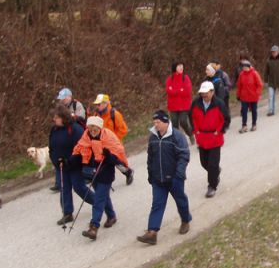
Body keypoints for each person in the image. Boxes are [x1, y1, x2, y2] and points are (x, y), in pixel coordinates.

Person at [137, 110, 192, 246]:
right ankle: (152, 232)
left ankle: (185, 220)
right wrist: (151, 175)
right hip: (158, 179)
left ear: (166, 122)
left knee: (180, 200)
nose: (155, 125)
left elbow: (184, 156)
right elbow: (150, 157)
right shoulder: (153, 137)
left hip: (174, 178)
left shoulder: (177, 136)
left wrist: (178, 175)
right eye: (154, 122)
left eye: (158, 122)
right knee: (157, 205)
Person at [70, 116, 126, 241]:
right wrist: (71, 160)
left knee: (99, 199)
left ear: (100, 127)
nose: (92, 130)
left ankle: (94, 227)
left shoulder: (108, 137)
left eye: (94, 127)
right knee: (103, 197)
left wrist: (108, 155)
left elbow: (117, 158)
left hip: (105, 173)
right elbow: (78, 151)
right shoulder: (85, 137)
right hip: (92, 173)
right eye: (90, 127)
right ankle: (111, 216)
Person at [49, 104, 96, 226]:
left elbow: (83, 148)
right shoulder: (54, 129)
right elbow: (52, 146)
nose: (54, 120)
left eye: (57, 117)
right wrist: (54, 160)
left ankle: (98, 202)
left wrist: (70, 161)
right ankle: (67, 213)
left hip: (74, 165)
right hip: (61, 166)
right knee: (64, 188)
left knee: (79, 187)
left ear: (63, 118)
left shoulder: (75, 129)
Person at [190, 81, 230, 198]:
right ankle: (216, 171)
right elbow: (191, 118)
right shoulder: (196, 104)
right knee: (204, 163)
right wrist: (195, 131)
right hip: (202, 138)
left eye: (206, 93)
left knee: (212, 164)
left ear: (212, 92)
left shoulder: (219, 104)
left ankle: (212, 186)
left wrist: (218, 131)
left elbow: (226, 119)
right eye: (202, 93)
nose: (204, 95)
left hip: (215, 138)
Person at [50, 88, 87, 192]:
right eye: (61, 99)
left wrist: (70, 117)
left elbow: (82, 118)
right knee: (60, 156)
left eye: (63, 98)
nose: (61, 100)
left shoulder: (77, 105)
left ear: (69, 97)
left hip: (78, 133)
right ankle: (58, 183)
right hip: (65, 133)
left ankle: (87, 174)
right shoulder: (61, 108)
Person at [93, 94, 134, 185]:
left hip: (114, 144)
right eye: (96, 104)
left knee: (119, 162)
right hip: (101, 144)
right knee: (104, 162)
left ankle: (128, 172)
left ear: (106, 104)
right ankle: (105, 181)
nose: (97, 106)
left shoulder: (115, 114)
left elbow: (123, 129)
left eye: (99, 104)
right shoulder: (96, 115)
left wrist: (115, 141)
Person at [165, 62, 194, 144]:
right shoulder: (170, 79)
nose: (181, 67)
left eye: (182, 66)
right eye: (179, 66)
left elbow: (187, 91)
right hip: (173, 106)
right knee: (174, 124)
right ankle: (179, 141)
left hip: (184, 105)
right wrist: (180, 90)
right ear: (175, 67)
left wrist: (175, 91)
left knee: (183, 121)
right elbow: (168, 91)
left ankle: (190, 134)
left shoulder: (185, 78)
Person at [235, 60, 263, 133]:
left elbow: (260, 85)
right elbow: (239, 86)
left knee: (254, 111)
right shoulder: (241, 74)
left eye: (245, 67)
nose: (243, 68)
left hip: (253, 96)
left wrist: (257, 93)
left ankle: (254, 124)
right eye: (243, 67)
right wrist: (238, 95)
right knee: (244, 111)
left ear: (249, 67)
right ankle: (244, 126)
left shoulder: (254, 73)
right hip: (244, 97)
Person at [262, 45, 279, 116]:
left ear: (278, 52)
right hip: (271, 82)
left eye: (274, 52)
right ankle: (271, 110)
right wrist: (265, 81)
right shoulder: (268, 60)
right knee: (271, 96)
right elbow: (266, 72)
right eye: (272, 52)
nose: (273, 53)